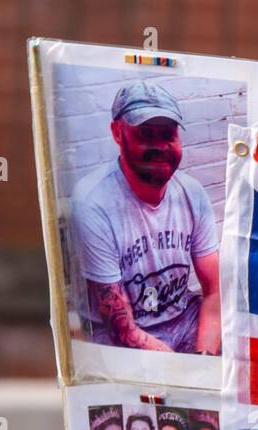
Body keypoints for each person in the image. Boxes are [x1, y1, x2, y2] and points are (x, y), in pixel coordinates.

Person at [69, 80, 221, 354]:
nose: (160, 146)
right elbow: (122, 329)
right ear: (117, 133)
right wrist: (180, 375)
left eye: (168, 134)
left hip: (183, 321)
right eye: (147, 134)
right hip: (123, 340)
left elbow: (214, 293)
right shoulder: (93, 202)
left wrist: (203, 362)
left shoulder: (192, 193)